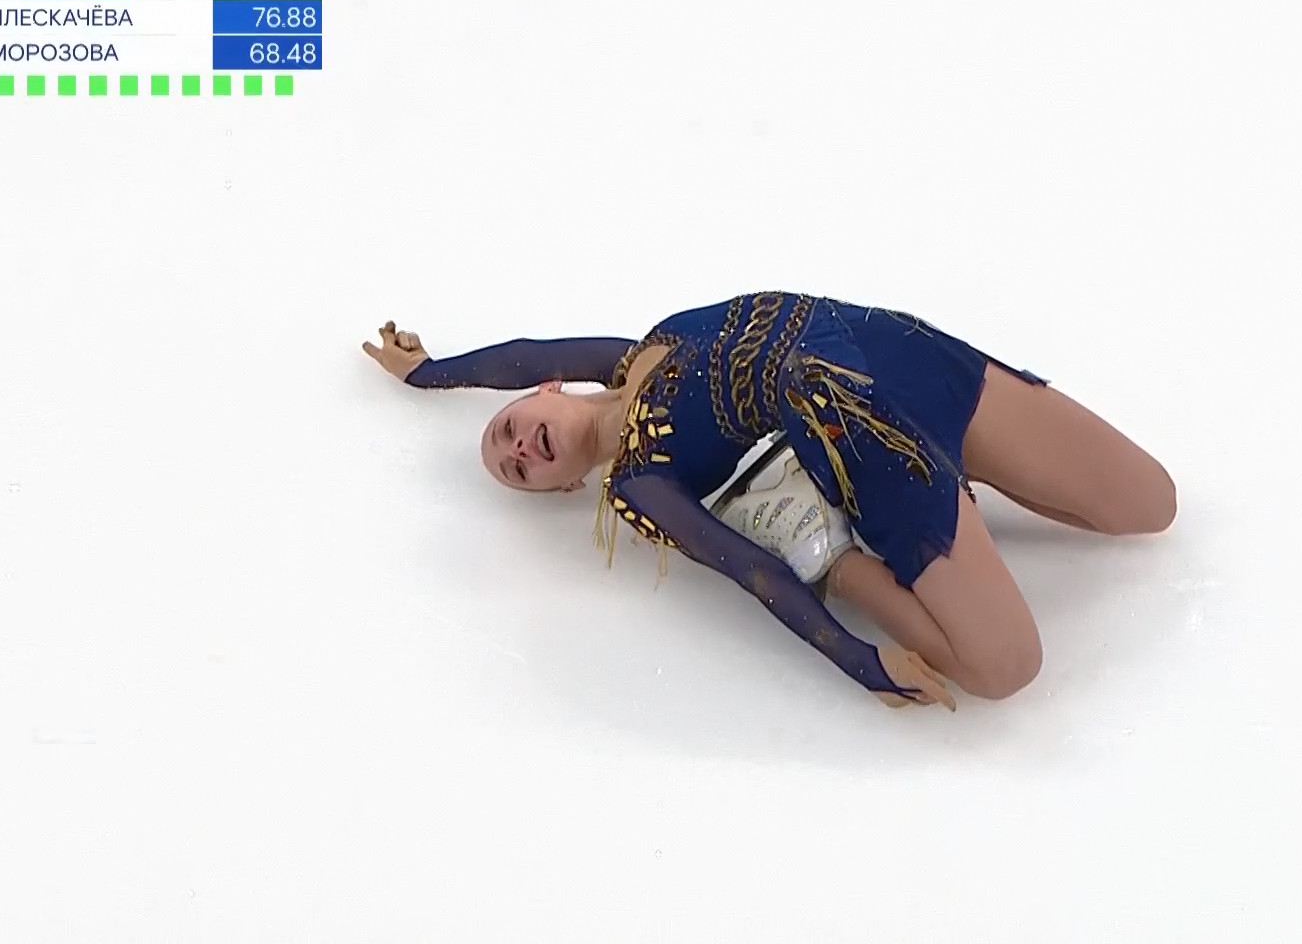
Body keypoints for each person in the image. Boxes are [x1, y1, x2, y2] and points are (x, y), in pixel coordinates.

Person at [361, 292, 1175, 709]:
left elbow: (522, 350)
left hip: (894, 350)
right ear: (568, 488)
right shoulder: (642, 481)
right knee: (1004, 668)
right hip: (860, 438)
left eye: (506, 430)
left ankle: (972, 465)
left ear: (544, 389)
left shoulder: (636, 351)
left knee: (1151, 505)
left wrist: (428, 372)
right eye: (516, 470)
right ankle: (850, 555)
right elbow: (750, 570)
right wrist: (862, 662)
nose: (518, 449)